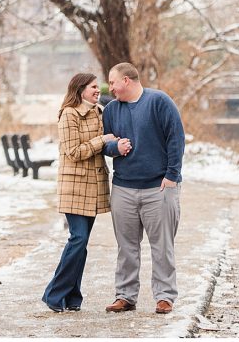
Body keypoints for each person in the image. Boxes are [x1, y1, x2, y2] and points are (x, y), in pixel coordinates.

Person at [102, 62, 186, 314]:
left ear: (126, 80)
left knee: (162, 246)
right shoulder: (111, 110)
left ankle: (164, 296)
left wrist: (172, 176)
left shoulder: (159, 101)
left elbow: (176, 138)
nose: (110, 87)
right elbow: (104, 144)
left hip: (158, 187)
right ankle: (125, 296)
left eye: (113, 81)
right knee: (126, 247)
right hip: (123, 188)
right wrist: (115, 148)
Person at [43, 73, 116, 312]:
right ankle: (54, 294)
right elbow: (73, 151)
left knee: (81, 244)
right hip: (73, 187)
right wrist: (101, 140)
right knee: (78, 238)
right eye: (94, 87)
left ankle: (73, 297)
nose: (98, 90)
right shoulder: (69, 114)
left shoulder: (99, 111)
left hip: (94, 186)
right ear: (80, 88)